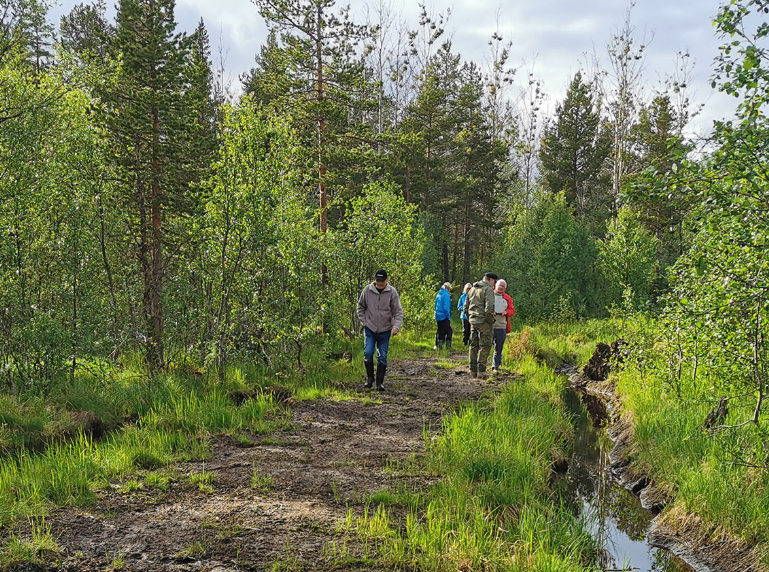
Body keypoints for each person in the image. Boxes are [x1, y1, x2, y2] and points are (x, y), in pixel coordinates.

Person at [357, 269, 403, 391]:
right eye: (377, 282)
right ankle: (370, 378)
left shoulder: (392, 292)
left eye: (382, 282)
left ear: (387, 280)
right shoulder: (367, 290)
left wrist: (396, 326)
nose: (379, 284)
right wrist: (364, 321)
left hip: (385, 329)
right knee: (368, 353)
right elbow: (360, 307)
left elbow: (398, 312)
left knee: (382, 356)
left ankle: (379, 382)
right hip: (370, 329)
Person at [463, 272, 498, 378]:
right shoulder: (487, 289)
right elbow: (490, 308)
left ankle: (472, 370)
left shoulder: (473, 289)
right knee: (485, 346)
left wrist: (470, 319)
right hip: (484, 321)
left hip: (473, 321)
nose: (495, 284)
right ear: (491, 280)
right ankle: (481, 372)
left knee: (473, 345)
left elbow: (465, 307)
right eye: (495, 282)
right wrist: (490, 321)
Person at [491, 279, 515, 373]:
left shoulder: (507, 298)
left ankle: (495, 366)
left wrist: (507, 312)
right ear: (495, 285)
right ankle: (481, 365)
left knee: (499, 347)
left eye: (503, 286)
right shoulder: (490, 295)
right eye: (500, 285)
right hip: (490, 326)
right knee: (486, 346)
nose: (501, 287)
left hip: (502, 326)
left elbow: (512, 310)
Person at [434, 282, 453, 350]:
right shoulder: (446, 295)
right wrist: (448, 316)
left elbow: (435, 305)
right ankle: (448, 347)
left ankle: (439, 346)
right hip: (444, 316)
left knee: (440, 331)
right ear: (448, 288)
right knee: (449, 331)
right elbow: (446, 307)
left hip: (438, 315)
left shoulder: (438, 294)